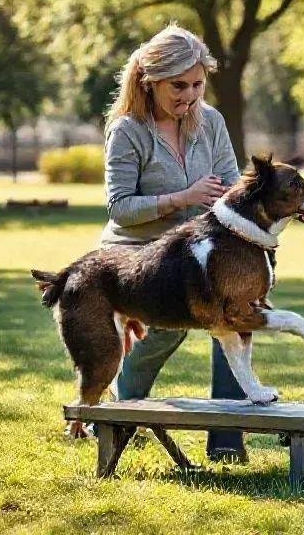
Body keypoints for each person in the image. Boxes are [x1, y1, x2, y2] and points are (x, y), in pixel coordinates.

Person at [99, 23, 247, 462]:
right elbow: (120, 208)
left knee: (238, 313)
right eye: (178, 86)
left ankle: (227, 434)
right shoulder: (128, 130)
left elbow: (233, 185)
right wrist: (180, 199)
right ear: (151, 82)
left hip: (197, 251)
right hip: (137, 254)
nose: (189, 96)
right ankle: (119, 412)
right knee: (161, 333)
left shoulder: (213, 122)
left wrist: (234, 203)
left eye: (197, 85)